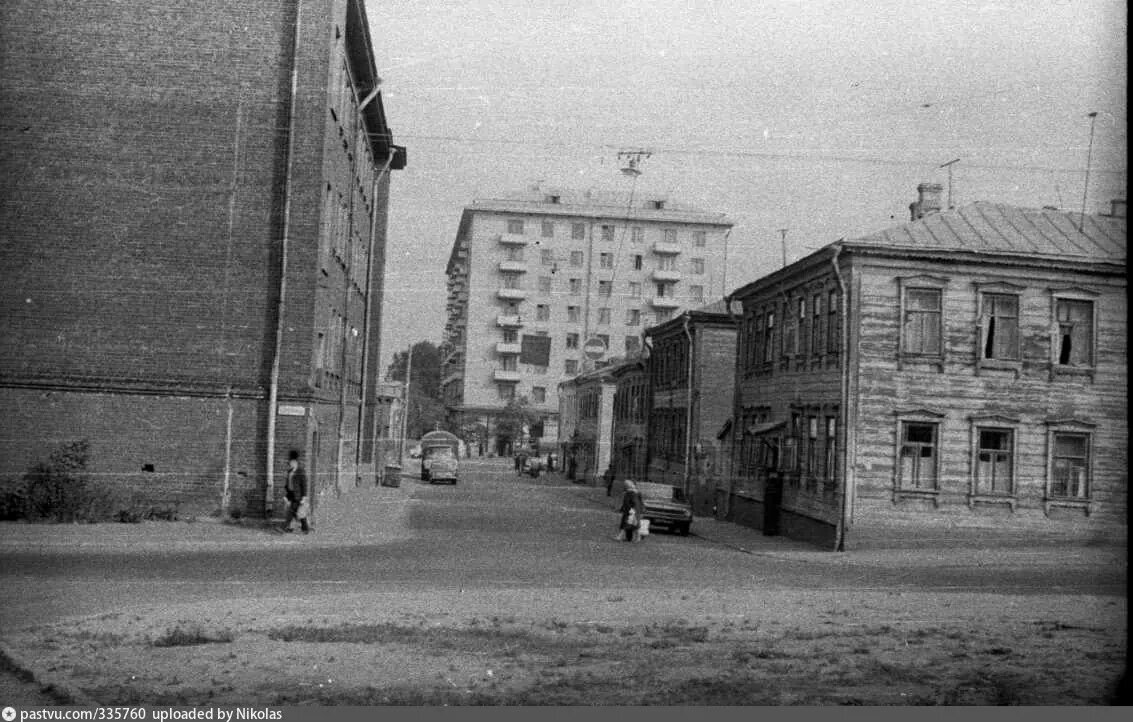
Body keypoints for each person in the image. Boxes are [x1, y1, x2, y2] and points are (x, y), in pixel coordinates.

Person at [279, 450, 310, 534]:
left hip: (298, 495)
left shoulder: (301, 471)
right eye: (289, 462)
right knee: (298, 512)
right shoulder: (289, 472)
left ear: (295, 462)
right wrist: (286, 495)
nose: (290, 464)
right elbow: (288, 485)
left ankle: (285, 527)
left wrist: (304, 497)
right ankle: (305, 529)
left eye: (291, 462)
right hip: (291, 494)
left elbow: (304, 485)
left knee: (291, 511)